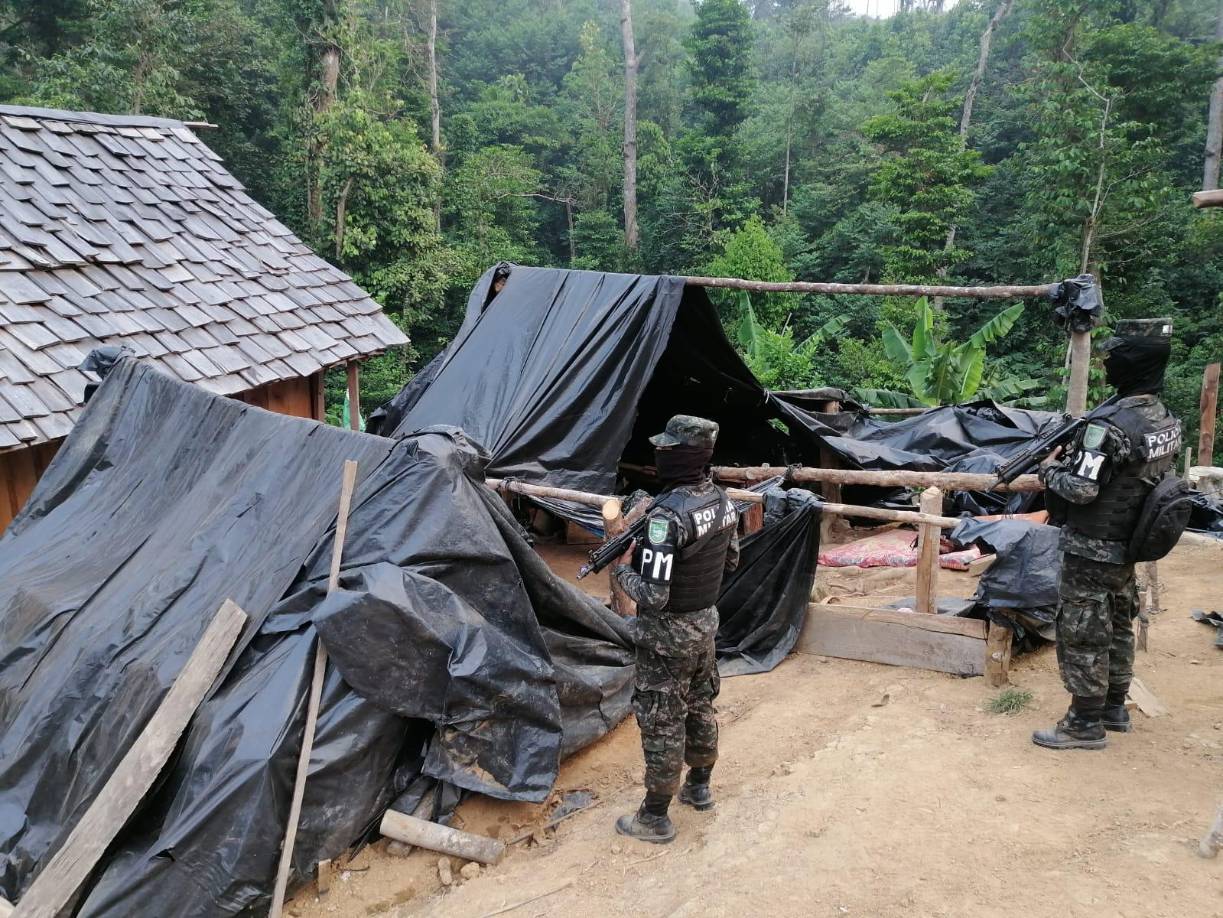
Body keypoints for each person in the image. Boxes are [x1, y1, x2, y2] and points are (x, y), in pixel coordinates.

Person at [1032, 319, 1181, 750]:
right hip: (1130, 543)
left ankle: (1083, 723)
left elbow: (1081, 488)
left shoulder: (1109, 426)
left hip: (1093, 548)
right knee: (1118, 624)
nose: (1107, 364)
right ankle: (1114, 707)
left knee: (1083, 631)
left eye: (1114, 358)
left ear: (1131, 364)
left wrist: (1049, 469)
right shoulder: (1163, 417)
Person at [611, 415, 740, 843]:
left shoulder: (667, 517)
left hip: (666, 639)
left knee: (661, 719)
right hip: (704, 626)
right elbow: (732, 561)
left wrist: (622, 570)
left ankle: (654, 817)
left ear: (680, 457)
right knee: (701, 705)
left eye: (664, 451)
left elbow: (654, 594)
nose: (658, 456)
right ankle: (699, 787)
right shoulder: (721, 500)